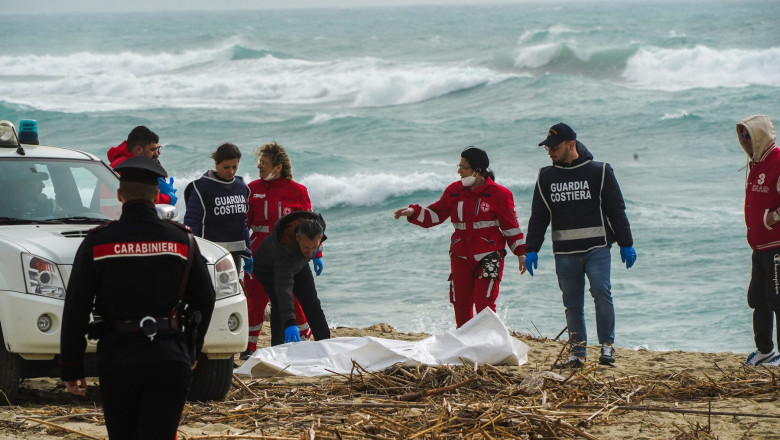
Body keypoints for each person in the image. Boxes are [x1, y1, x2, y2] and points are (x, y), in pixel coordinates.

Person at [60, 157, 215, 439]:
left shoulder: (98, 242)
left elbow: (76, 307)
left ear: (120, 195)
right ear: (156, 196)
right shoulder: (183, 240)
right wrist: (193, 348)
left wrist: (72, 365)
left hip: (119, 358)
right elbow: (205, 299)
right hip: (170, 357)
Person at [524, 122, 636, 369]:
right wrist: (531, 248)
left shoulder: (599, 171)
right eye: (548, 148)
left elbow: (616, 210)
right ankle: (578, 354)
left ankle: (607, 346)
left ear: (571, 144)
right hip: (564, 252)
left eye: (555, 147)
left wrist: (626, 243)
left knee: (601, 292)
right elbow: (539, 216)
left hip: (597, 248)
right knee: (572, 304)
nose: (550, 152)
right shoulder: (546, 176)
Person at [394, 146, 527, 328]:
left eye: (463, 167)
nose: (459, 171)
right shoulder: (454, 191)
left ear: (478, 170)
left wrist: (521, 253)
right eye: (459, 166)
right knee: (461, 305)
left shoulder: (500, 194)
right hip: (460, 257)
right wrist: (413, 212)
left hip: (490, 256)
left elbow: (511, 227)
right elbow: (436, 214)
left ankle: (489, 340)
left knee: (484, 304)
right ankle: (465, 341)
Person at [242, 141, 318, 357]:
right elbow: (243, 225)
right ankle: (249, 347)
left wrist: (317, 253)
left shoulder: (298, 191)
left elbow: (311, 227)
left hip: (288, 256)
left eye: (264, 162)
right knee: (255, 298)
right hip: (258, 254)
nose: (259, 166)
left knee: (293, 298)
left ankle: (304, 340)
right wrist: (242, 252)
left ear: (278, 167)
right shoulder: (251, 189)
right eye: (259, 161)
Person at [738, 115, 780, 367]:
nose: (744, 140)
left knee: (777, 300)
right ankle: (765, 351)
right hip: (759, 246)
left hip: (776, 245)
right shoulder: (756, 164)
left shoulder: (777, 161)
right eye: (742, 135)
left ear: (760, 136)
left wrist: (772, 217)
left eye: (748, 135)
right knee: (758, 299)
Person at [254, 210, 330, 346]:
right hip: (268, 269)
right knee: (279, 303)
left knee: (312, 302)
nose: (310, 252)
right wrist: (290, 323)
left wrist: (317, 255)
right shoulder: (283, 247)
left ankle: (325, 343)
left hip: (299, 263)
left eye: (314, 247)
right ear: (297, 237)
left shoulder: (317, 227)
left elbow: (311, 249)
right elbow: (284, 290)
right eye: (306, 247)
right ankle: (278, 346)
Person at [183, 142, 252, 272]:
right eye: (226, 167)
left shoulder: (242, 187)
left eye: (235, 167)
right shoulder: (201, 188)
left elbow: (242, 223)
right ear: (216, 163)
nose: (231, 171)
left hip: (235, 255)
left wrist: (248, 252)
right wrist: (193, 254)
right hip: (209, 255)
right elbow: (192, 224)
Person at [107, 125, 177, 205]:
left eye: (158, 148)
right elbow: (141, 199)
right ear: (138, 150)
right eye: (153, 149)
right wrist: (168, 198)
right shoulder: (129, 168)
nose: (157, 153)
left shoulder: (119, 162)